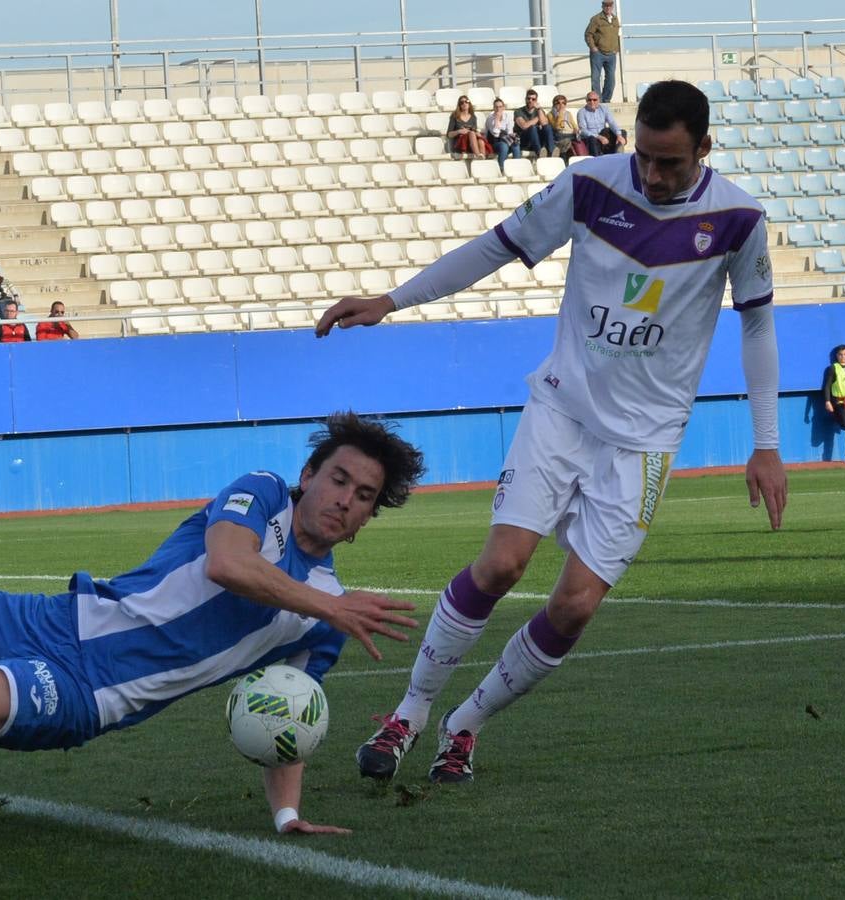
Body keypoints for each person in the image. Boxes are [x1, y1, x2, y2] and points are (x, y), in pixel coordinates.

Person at [313, 80, 788, 785]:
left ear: (704, 151)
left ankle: (463, 725)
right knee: (501, 564)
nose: (654, 177)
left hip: (645, 441)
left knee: (573, 606)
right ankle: (406, 714)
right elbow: (493, 248)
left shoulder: (738, 220)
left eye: (672, 164)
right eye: (646, 159)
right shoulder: (588, 185)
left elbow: (755, 322)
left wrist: (766, 442)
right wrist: (393, 298)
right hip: (561, 410)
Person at [0, 412, 427, 865]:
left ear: (369, 515)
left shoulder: (326, 617)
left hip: (87, 691)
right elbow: (229, 563)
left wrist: (286, 818)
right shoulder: (260, 496)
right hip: (61, 616)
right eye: (337, 478)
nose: (345, 498)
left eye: (363, 494)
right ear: (308, 475)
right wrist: (327, 605)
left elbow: (287, 717)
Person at [585, 0, 621, 104]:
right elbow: (588, 34)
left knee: (611, 79)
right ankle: (597, 100)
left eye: (610, 5)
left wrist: (616, 48)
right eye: (606, 5)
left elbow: (616, 35)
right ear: (602, 6)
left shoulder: (615, 19)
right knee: (596, 78)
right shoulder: (596, 19)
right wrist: (592, 47)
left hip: (611, 54)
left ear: (612, 6)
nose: (608, 7)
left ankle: (606, 100)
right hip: (598, 53)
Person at [577, 92, 626, 156]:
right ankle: (597, 159)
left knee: (622, 132)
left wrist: (618, 135)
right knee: (592, 139)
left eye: (594, 100)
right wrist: (599, 137)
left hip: (603, 134)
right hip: (591, 137)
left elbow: (611, 122)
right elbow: (583, 130)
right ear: (586, 101)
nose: (592, 102)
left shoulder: (604, 108)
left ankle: (618, 152)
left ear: (598, 100)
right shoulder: (581, 112)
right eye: (589, 100)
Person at [484, 99, 521, 173]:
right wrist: (497, 120)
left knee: (515, 145)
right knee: (504, 146)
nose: (498, 109)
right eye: (496, 107)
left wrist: (512, 137)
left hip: (505, 140)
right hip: (494, 142)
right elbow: (495, 134)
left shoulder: (507, 116)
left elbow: (510, 131)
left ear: (503, 107)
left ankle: (516, 168)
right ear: (493, 108)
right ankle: (501, 169)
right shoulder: (490, 118)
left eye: (500, 107)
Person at [514, 89, 553, 159]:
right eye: (528, 98)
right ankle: (539, 153)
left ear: (536, 100)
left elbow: (544, 124)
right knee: (532, 128)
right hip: (524, 141)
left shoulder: (539, 111)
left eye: (533, 99)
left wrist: (539, 110)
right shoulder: (518, 111)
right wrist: (538, 118)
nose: (530, 101)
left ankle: (551, 151)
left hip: (537, 140)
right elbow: (524, 126)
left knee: (548, 127)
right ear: (525, 99)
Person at [546, 94, 579, 163]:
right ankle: (563, 161)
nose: (561, 105)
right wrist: (560, 114)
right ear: (554, 104)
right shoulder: (550, 114)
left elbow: (574, 125)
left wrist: (576, 130)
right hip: (559, 134)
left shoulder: (568, 113)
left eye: (563, 103)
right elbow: (557, 127)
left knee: (570, 140)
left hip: (570, 134)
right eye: (558, 103)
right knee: (565, 140)